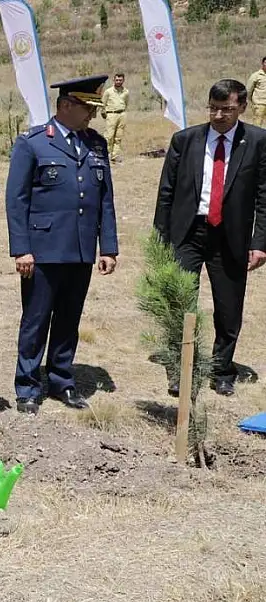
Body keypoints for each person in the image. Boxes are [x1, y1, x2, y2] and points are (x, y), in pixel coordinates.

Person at [5, 75, 119, 415]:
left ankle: (61, 380)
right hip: (42, 249)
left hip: (81, 248)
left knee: (69, 319)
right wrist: (21, 249)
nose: (92, 116)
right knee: (36, 319)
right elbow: (17, 200)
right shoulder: (34, 142)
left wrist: (108, 246)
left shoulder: (96, 144)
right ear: (66, 106)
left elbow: (105, 200)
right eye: (87, 108)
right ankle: (27, 385)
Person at [154, 79, 266, 397]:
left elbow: (263, 196)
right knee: (180, 302)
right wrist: (159, 240)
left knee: (228, 307)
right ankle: (181, 370)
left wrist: (259, 243)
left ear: (242, 107)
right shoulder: (185, 140)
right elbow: (166, 193)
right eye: (213, 109)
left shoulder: (258, 141)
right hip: (188, 232)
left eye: (227, 110)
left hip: (230, 236)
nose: (219, 116)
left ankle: (222, 369)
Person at [101, 72, 129, 163]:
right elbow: (103, 104)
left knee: (118, 137)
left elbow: (126, 103)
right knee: (109, 136)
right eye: (117, 80)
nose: (118, 81)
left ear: (123, 80)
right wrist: (104, 113)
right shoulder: (108, 91)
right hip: (111, 114)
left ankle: (115, 155)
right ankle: (106, 155)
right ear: (114, 80)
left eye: (120, 80)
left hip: (122, 114)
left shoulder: (126, 92)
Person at [247, 57, 266, 126]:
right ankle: (256, 136)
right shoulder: (256, 75)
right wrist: (250, 101)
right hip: (259, 104)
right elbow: (249, 89)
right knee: (257, 124)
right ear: (262, 63)